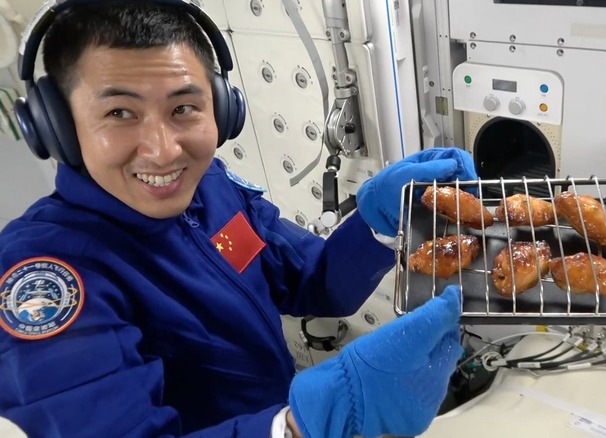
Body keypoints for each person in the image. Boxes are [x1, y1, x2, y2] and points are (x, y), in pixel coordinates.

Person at [0, 1, 478, 437]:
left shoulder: (211, 188)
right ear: (57, 126)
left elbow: (313, 282)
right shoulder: (45, 277)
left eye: (183, 108)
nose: (164, 151)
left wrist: (378, 223)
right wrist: (300, 426)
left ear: (223, 109)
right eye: (120, 112)